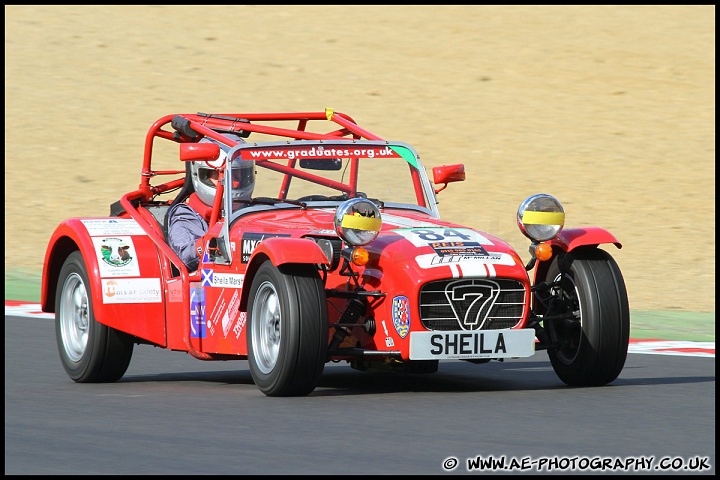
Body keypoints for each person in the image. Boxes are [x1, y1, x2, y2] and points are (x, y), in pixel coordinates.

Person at [167, 133, 255, 271]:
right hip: (204, 285)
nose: (235, 183)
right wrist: (213, 240)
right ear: (201, 175)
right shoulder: (185, 215)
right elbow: (184, 256)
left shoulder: (251, 210)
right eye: (221, 176)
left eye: (239, 175)